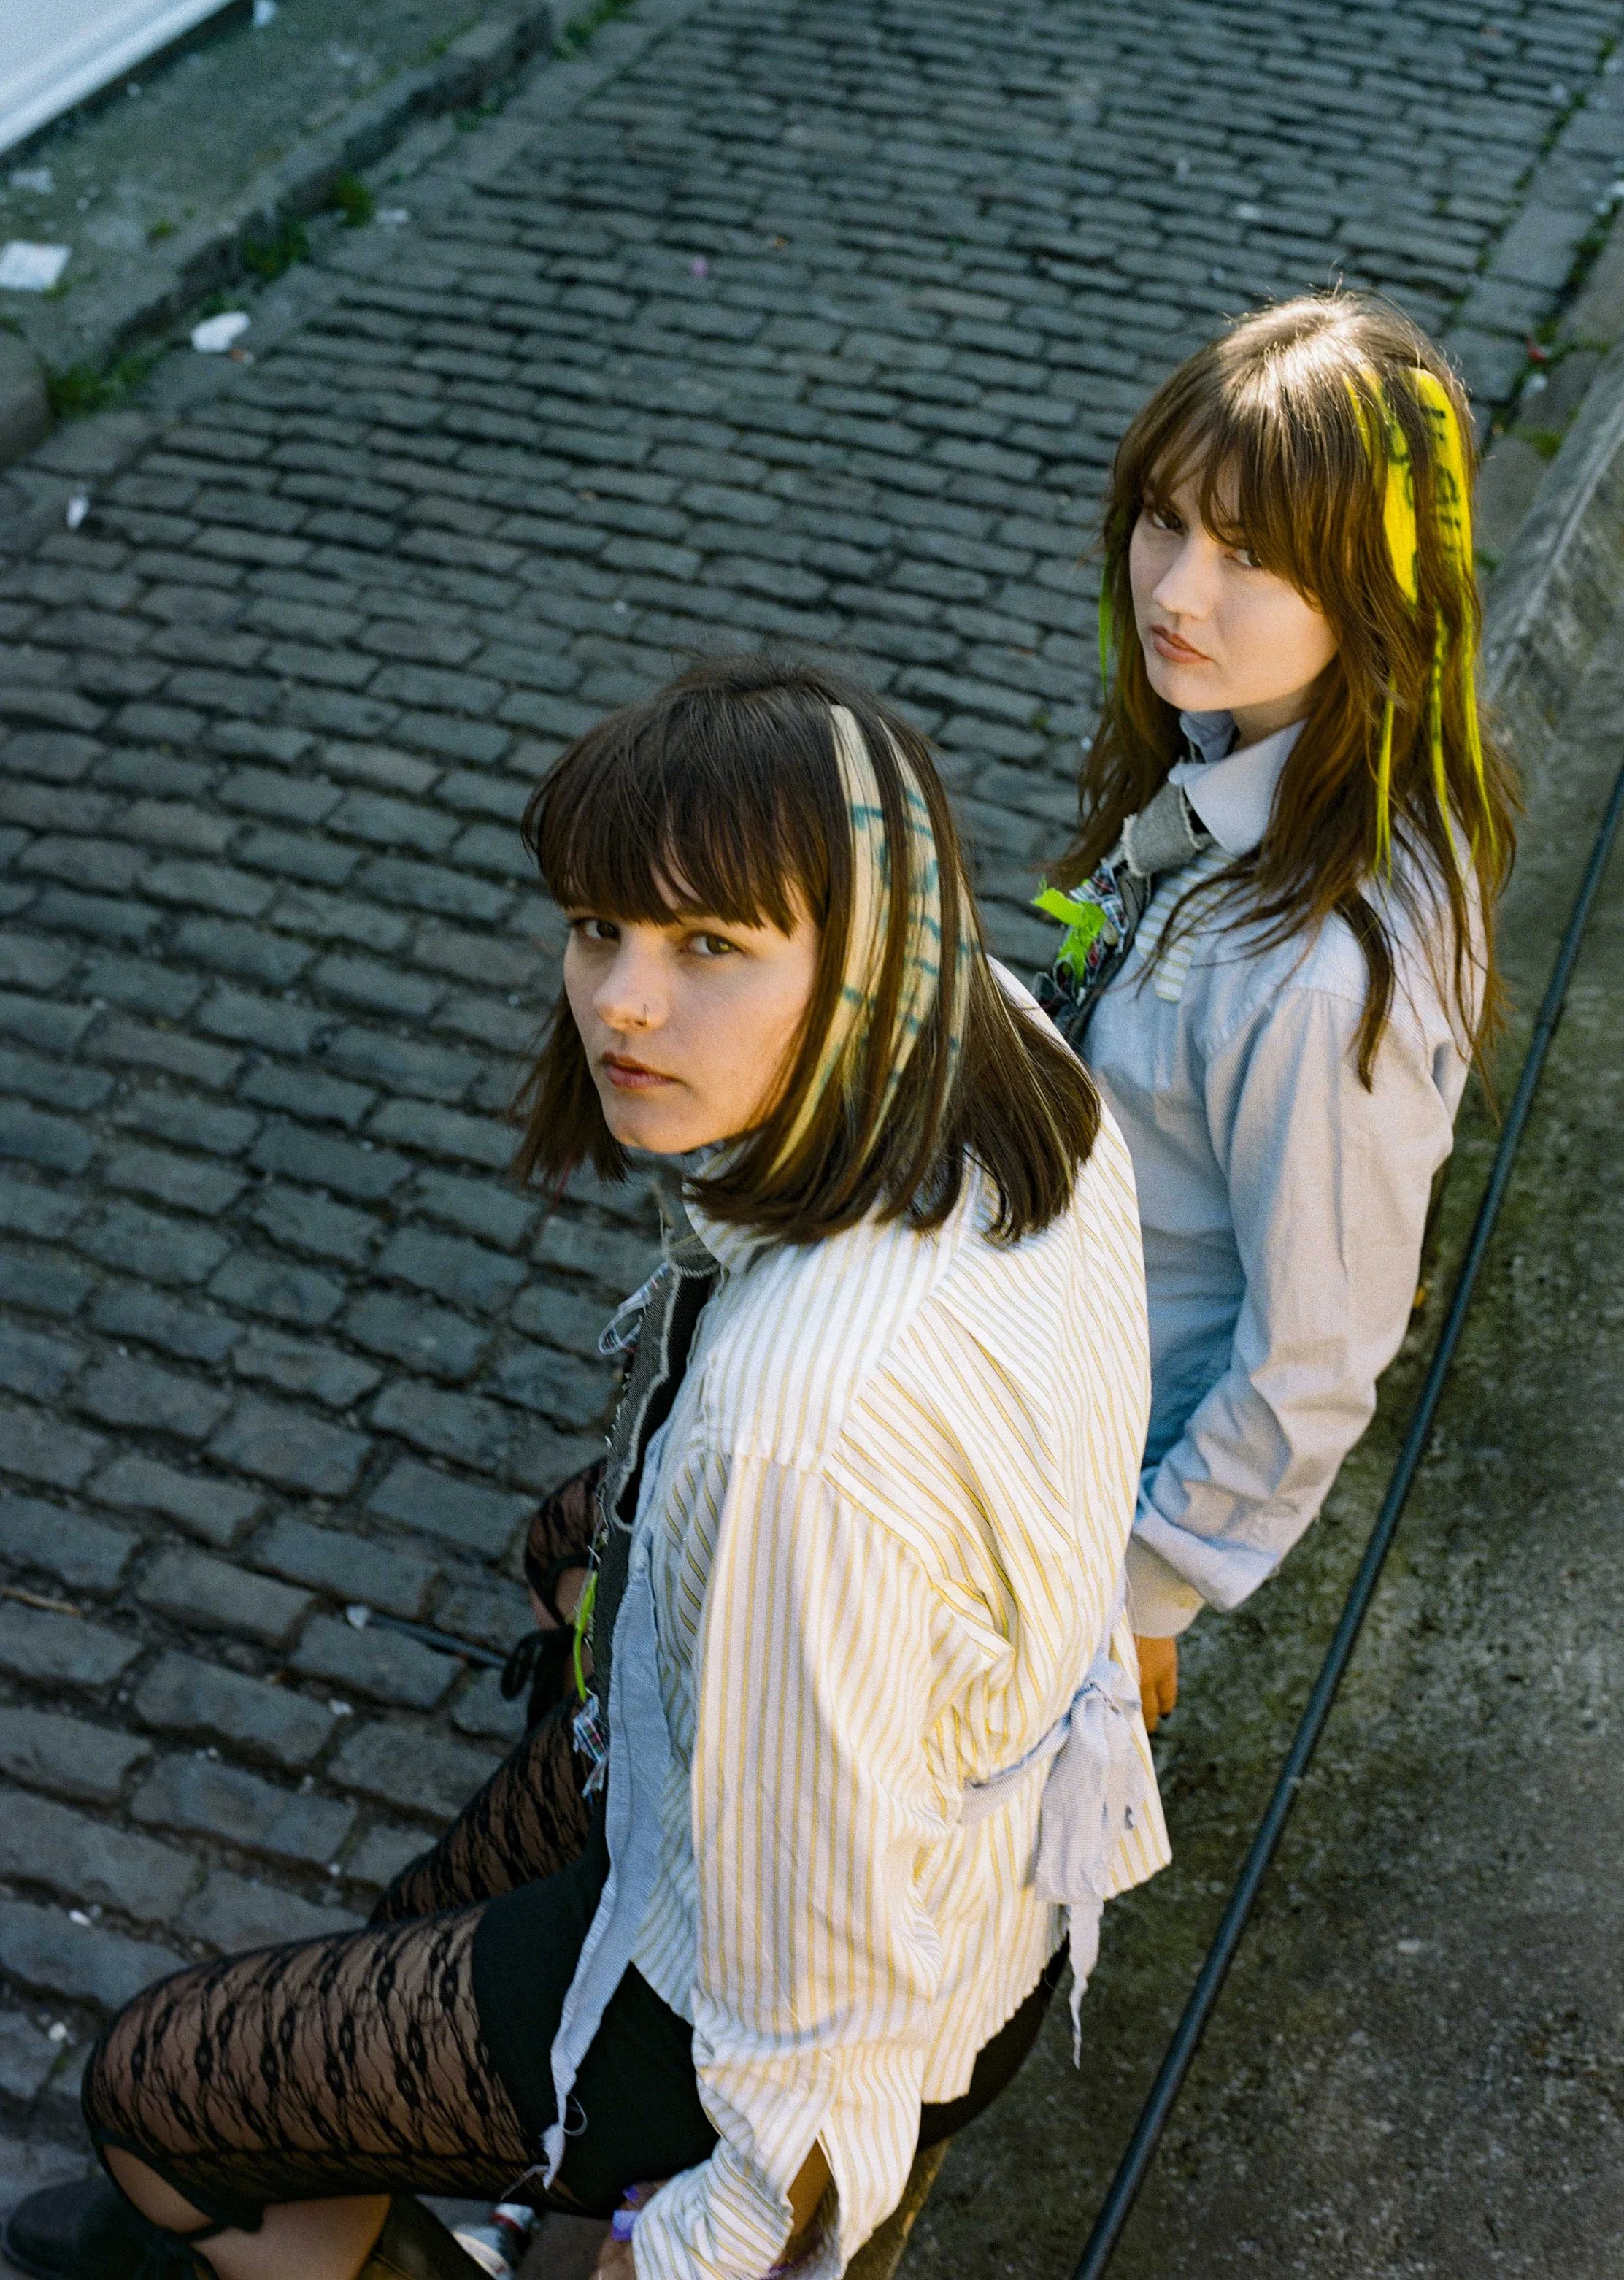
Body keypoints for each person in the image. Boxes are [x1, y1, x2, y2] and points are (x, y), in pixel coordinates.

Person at [4, 656, 1168, 2280]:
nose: (620, 1000)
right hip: (977, 1852)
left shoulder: (794, 1439)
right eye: (598, 927)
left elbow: (811, 2017)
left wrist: (696, 2244)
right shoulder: (1007, 1050)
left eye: (709, 947)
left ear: (858, 959)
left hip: (799, 2007)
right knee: (411, 1908)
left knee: (152, 2092)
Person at [1033, 292, 1520, 1732]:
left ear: (1372, 591)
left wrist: (1141, 1587)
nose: (1175, 590)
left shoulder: (1317, 978)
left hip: (1077, 1498)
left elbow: (1312, 1353)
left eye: (1248, 555)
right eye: (1162, 521)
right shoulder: (1247, 749)